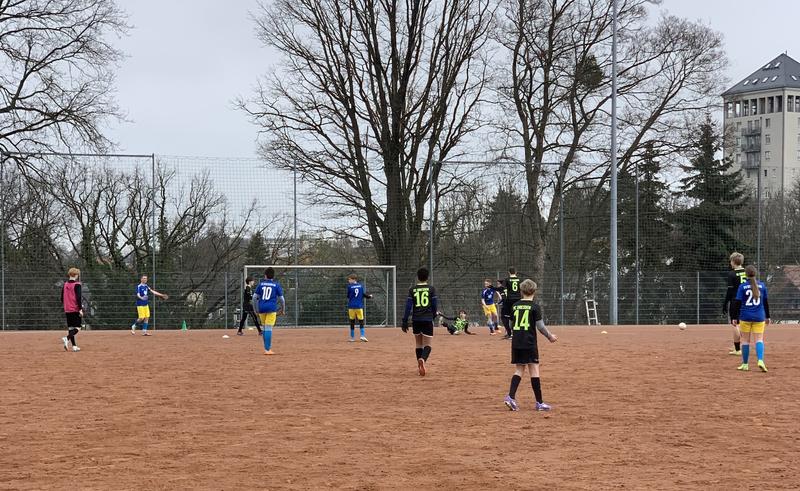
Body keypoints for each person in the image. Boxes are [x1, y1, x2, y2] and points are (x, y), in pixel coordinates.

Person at [503, 279, 558, 412]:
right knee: (534, 370)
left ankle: (510, 397)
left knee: (519, 370)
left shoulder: (515, 306)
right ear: (534, 291)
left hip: (516, 342)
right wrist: (550, 336)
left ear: (521, 291)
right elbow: (540, 326)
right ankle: (539, 403)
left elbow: (510, 325)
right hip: (529, 342)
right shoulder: (535, 307)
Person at [730, 265, 770, 373]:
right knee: (759, 340)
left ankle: (745, 364)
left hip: (745, 317)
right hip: (759, 317)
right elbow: (765, 302)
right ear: (755, 274)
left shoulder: (742, 287)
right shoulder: (762, 286)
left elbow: (737, 303)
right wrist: (768, 316)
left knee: (745, 341)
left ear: (746, 275)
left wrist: (734, 317)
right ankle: (760, 360)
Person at [401, 267, 438, 376]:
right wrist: (434, 314)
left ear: (418, 277)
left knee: (418, 344)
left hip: (416, 319)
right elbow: (434, 305)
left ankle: (419, 367)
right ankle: (423, 360)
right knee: (428, 344)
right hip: (427, 319)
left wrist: (404, 320)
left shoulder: (412, 289)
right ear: (428, 277)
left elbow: (408, 307)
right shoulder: (431, 289)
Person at [254, 267, 286, 355]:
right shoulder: (276, 285)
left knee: (264, 328)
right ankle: (267, 350)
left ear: (265, 276)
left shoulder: (260, 284)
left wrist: (255, 309)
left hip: (261, 308)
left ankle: (266, 348)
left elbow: (254, 298)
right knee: (268, 328)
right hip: (271, 308)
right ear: (273, 276)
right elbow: (282, 300)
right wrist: (283, 309)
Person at [722, 252, 747, 355]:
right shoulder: (747, 271)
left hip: (735, 300)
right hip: (746, 300)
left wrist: (725, 303)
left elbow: (730, 291)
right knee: (743, 323)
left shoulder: (732, 274)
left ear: (733, 261)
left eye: (730, 261)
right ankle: (744, 345)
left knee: (735, 323)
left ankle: (737, 349)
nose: (730, 263)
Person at [61, 268, 83, 352]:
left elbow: (61, 298)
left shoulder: (65, 284)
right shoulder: (77, 285)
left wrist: (67, 304)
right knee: (78, 327)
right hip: (74, 308)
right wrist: (80, 309)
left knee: (71, 328)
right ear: (76, 275)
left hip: (67, 309)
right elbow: (78, 298)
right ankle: (66, 338)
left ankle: (74, 346)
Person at [346, 273, 373, 342]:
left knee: (352, 322)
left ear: (353, 279)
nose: (348, 281)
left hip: (351, 306)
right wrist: (369, 296)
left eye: (349, 279)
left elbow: (348, 296)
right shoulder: (360, 286)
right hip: (359, 306)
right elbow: (363, 294)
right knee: (361, 321)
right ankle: (362, 336)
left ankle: (352, 338)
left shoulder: (349, 287)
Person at [501, 268, 522, 340]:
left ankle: (509, 333)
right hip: (518, 299)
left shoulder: (507, 279)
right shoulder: (519, 280)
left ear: (508, 272)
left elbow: (502, 288)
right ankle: (517, 333)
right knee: (517, 315)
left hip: (510, 300)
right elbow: (522, 289)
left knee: (506, 316)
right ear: (516, 272)